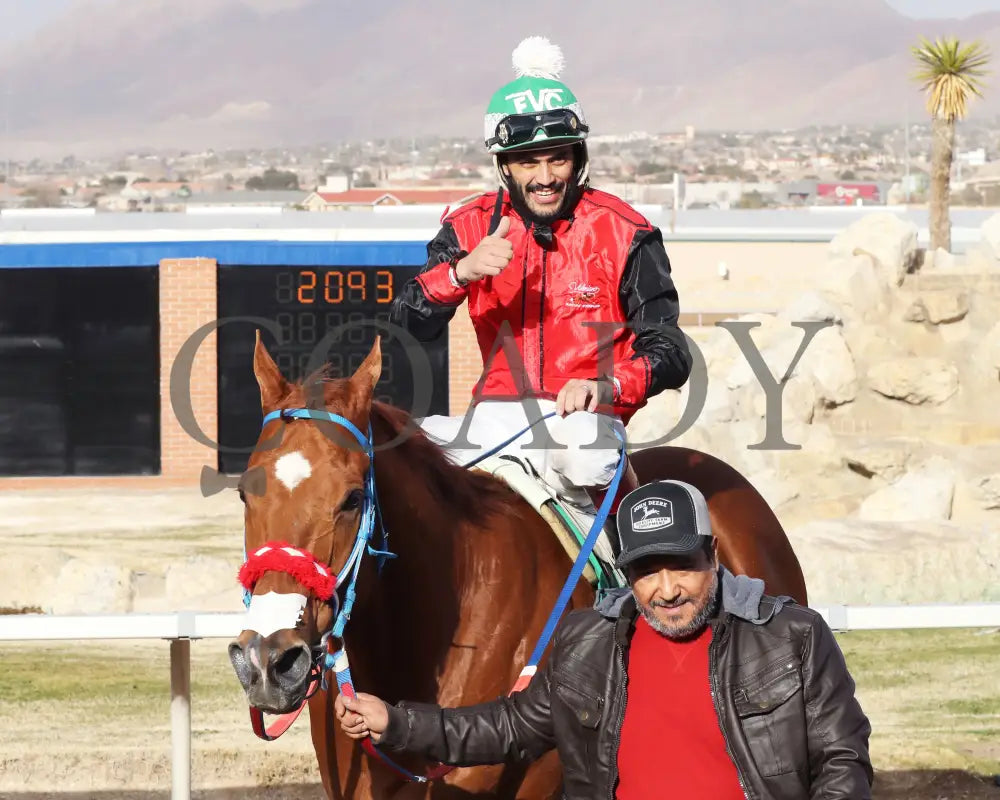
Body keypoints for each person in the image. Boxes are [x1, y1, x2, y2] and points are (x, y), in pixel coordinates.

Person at [334, 479, 874, 800]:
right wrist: (398, 721)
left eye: (681, 566)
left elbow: (842, 761)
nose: (666, 591)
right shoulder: (587, 642)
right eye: (646, 571)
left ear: (712, 556)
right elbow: (512, 726)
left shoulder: (792, 637)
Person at [389, 36, 692, 522]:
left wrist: (607, 385)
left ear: (579, 157)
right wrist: (460, 272)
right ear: (504, 166)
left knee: (585, 453)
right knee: (393, 455)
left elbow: (672, 353)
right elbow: (405, 324)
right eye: (528, 161)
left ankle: (631, 575)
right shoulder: (468, 226)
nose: (545, 176)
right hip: (493, 418)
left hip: (585, 417)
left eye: (558, 158)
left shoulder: (627, 231)